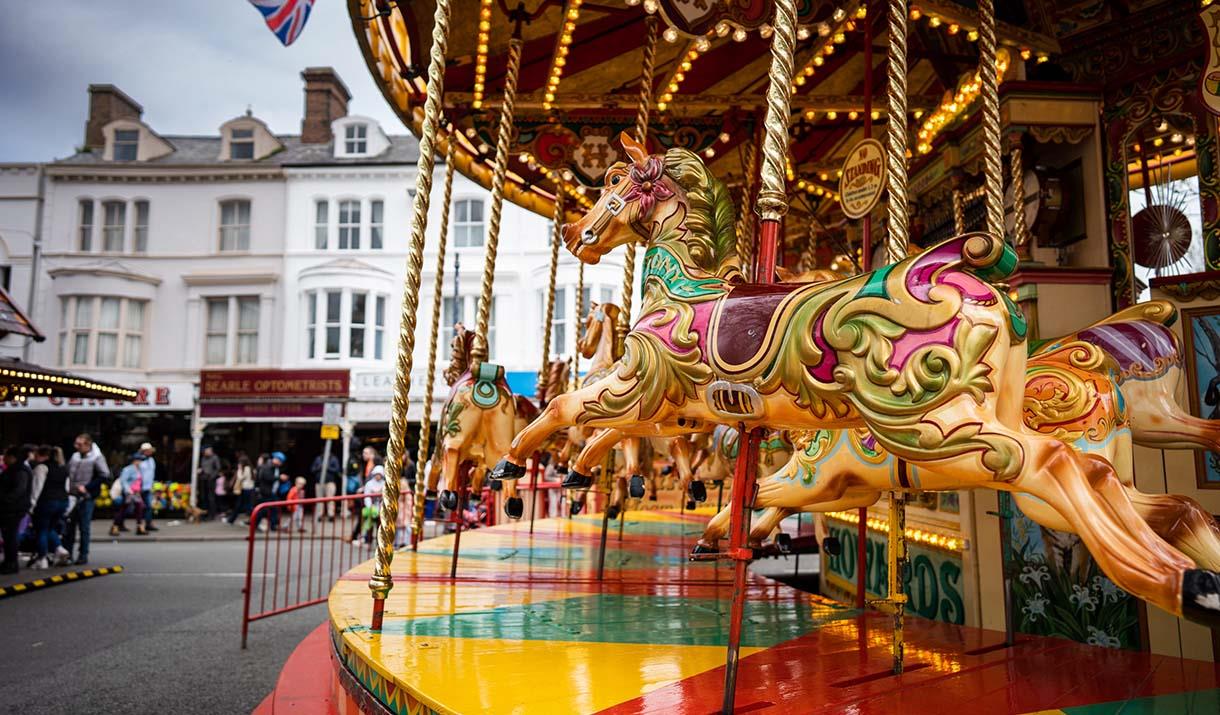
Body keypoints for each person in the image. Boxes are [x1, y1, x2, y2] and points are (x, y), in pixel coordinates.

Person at [64, 434, 110, 565]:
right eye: (76, 444)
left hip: (86, 497)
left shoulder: (97, 457)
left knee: (84, 527)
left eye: (79, 444)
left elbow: (104, 475)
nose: (76, 446)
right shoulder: (75, 456)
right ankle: (67, 554)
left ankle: (83, 554)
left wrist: (87, 488)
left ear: (88, 445)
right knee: (69, 527)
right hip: (71, 495)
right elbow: (68, 472)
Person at [29, 446, 70, 569]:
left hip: (47, 502)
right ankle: (59, 548)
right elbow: (67, 488)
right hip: (63, 501)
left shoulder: (42, 467)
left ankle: (42, 559)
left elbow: (37, 487)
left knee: (41, 529)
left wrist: (31, 505)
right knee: (50, 528)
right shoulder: (63, 469)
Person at [0, 445, 33, 574]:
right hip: (11, 508)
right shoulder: (14, 469)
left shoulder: (19, 471)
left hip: (13, 509)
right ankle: (8, 561)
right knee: (8, 536)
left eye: (6, 456)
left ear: (12, 457)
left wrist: (5, 499)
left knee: (10, 537)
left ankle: (11, 563)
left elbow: (19, 490)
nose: (4, 458)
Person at [110, 453, 147, 536]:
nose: (140, 462)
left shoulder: (139, 469)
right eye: (139, 460)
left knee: (139, 509)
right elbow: (123, 480)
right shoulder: (128, 469)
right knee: (123, 510)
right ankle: (115, 527)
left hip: (136, 493)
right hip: (130, 493)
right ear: (135, 461)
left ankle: (139, 527)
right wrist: (128, 491)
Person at [253, 451, 284, 533]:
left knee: (274, 509)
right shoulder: (267, 466)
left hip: (271, 492)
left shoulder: (274, 467)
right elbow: (267, 478)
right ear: (276, 459)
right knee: (263, 510)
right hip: (265, 492)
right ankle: (255, 525)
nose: (281, 463)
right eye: (280, 461)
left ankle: (273, 525)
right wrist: (279, 478)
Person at [356, 465, 385, 545]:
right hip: (371, 508)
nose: (378, 476)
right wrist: (370, 506)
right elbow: (366, 496)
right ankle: (368, 541)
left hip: (380, 508)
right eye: (376, 474)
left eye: (379, 474)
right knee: (369, 525)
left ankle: (379, 542)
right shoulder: (369, 484)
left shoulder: (384, 484)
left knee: (380, 526)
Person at [311, 449, 341, 519]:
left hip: (330, 482)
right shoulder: (318, 458)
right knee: (319, 499)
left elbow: (337, 470)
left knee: (330, 499)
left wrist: (327, 467)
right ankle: (319, 515)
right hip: (319, 483)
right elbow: (312, 469)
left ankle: (331, 515)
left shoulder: (334, 459)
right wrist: (319, 467)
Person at [228, 453, 255, 524]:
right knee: (243, 505)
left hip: (246, 489)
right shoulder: (250, 468)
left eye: (240, 462)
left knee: (246, 505)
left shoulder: (246, 469)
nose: (239, 464)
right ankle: (231, 519)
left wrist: (239, 470)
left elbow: (240, 478)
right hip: (248, 489)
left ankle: (253, 520)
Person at [138, 442, 159, 532]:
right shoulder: (139, 461)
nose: (148, 452)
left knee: (148, 506)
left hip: (148, 487)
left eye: (149, 451)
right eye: (146, 451)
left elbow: (151, 474)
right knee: (138, 507)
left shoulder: (151, 460)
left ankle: (148, 523)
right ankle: (140, 525)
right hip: (139, 487)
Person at [198, 446, 221, 520]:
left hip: (211, 479)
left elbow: (218, 468)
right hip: (203, 479)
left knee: (211, 497)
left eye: (209, 451)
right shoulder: (203, 458)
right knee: (203, 497)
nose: (207, 452)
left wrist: (212, 476)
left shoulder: (215, 458)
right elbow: (202, 466)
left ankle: (212, 514)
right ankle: (205, 513)